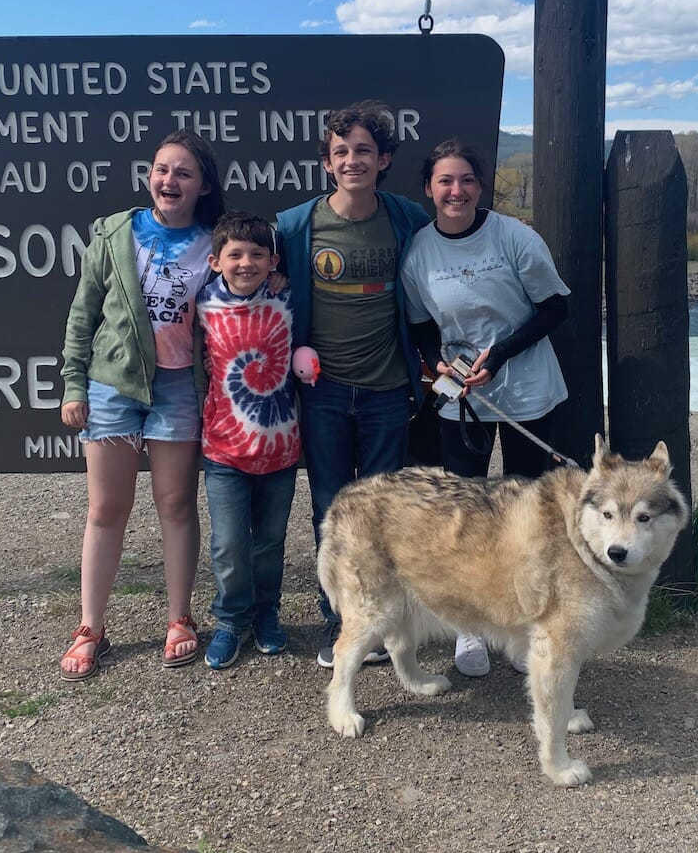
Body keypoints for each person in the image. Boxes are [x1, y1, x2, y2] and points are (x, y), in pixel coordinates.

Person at [401, 139, 570, 678]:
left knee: (527, 517)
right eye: (445, 181)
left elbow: (554, 308)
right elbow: (421, 326)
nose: (457, 191)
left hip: (526, 392)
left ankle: (523, 628)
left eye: (466, 180)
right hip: (462, 400)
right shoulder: (419, 252)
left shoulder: (515, 237)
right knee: (464, 516)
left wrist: (499, 355)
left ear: (481, 186)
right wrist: (438, 366)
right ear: (429, 189)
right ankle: (468, 627)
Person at [59, 130, 224, 679]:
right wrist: (73, 384)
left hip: (178, 388)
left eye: (183, 172)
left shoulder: (214, 244)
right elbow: (83, 315)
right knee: (106, 510)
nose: (169, 180)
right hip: (113, 385)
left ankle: (180, 618)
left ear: (202, 185)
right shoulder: (115, 233)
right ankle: (91, 627)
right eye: (161, 169)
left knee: (176, 506)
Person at [276, 100, 430, 668]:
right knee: (331, 510)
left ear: (384, 158)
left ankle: (386, 620)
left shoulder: (407, 218)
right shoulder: (296, 226)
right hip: (324, 395)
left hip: (390, 391)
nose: (352, 160)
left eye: (364, 150)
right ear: (327, 162)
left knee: (387, 513)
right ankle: (339, 622)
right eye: (341, 151)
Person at [195, 211, 301, 669]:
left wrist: (282, 279)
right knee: (229, 544)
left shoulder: (290, 299)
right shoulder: (199, 305)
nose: (246, 262)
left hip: (280, 446)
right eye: (234, 254)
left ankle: (266, 614)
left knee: (270, 541)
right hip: (223, 448)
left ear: (273, 260)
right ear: (215, 261)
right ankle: (230, 619)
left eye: (257, 254)